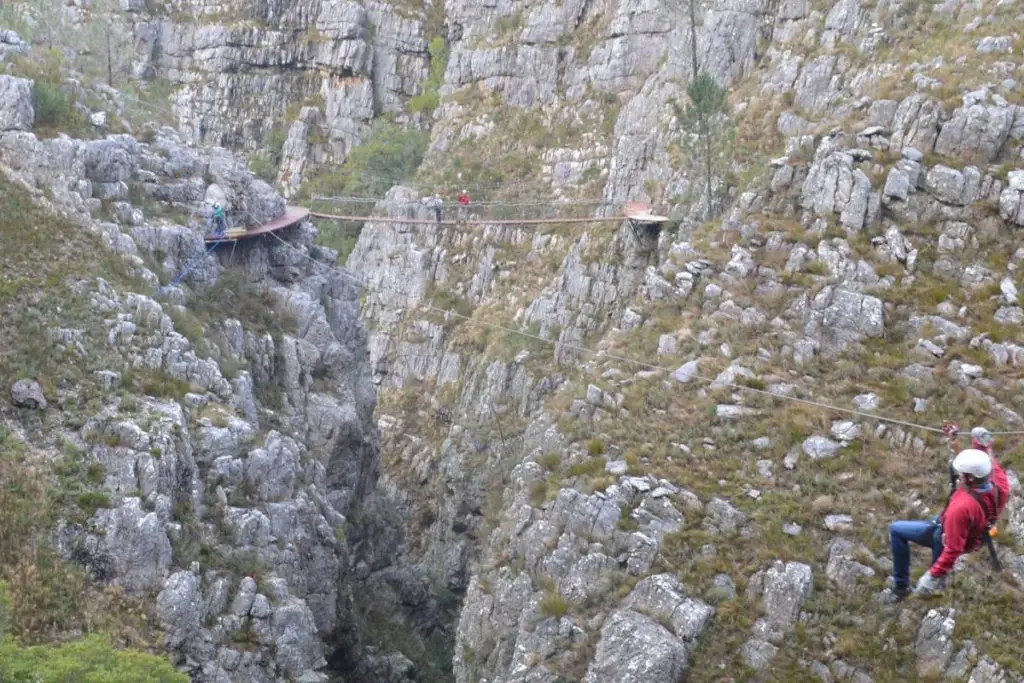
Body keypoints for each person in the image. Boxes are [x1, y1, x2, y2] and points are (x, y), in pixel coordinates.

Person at [882, 427, 1009, 603]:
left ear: (971, 478)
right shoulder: (999, 483)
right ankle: (922, 583)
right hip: (963, 530)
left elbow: (954, 548)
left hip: (945, 534)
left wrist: (931, 576)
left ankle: (904, 588)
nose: (959, 476)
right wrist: (979, 441)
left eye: (962, 474)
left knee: (899, 531)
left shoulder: (962, 508)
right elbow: (984, 457)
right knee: (899, 530)